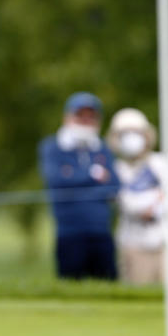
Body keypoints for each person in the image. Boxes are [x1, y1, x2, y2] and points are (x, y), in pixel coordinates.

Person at [38, 92, 120, 280]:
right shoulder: (53, 147)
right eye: (80, 115)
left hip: (101, 230)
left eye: (91, 116)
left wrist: (76, 180)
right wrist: (93, 175)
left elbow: (114, 186)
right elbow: (57, 181)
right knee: (71, 285)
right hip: (70, 232)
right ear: (67, 117)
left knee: (107, 285)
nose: (85, 120)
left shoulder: (102, 148)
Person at [107, 108, 168, 285]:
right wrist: (154, 197)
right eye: (124, 134)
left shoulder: (162, 162)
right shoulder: (115, 169)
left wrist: (158, 209)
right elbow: (123, 202)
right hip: (133, 244)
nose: (131, 138)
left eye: (135, 133)